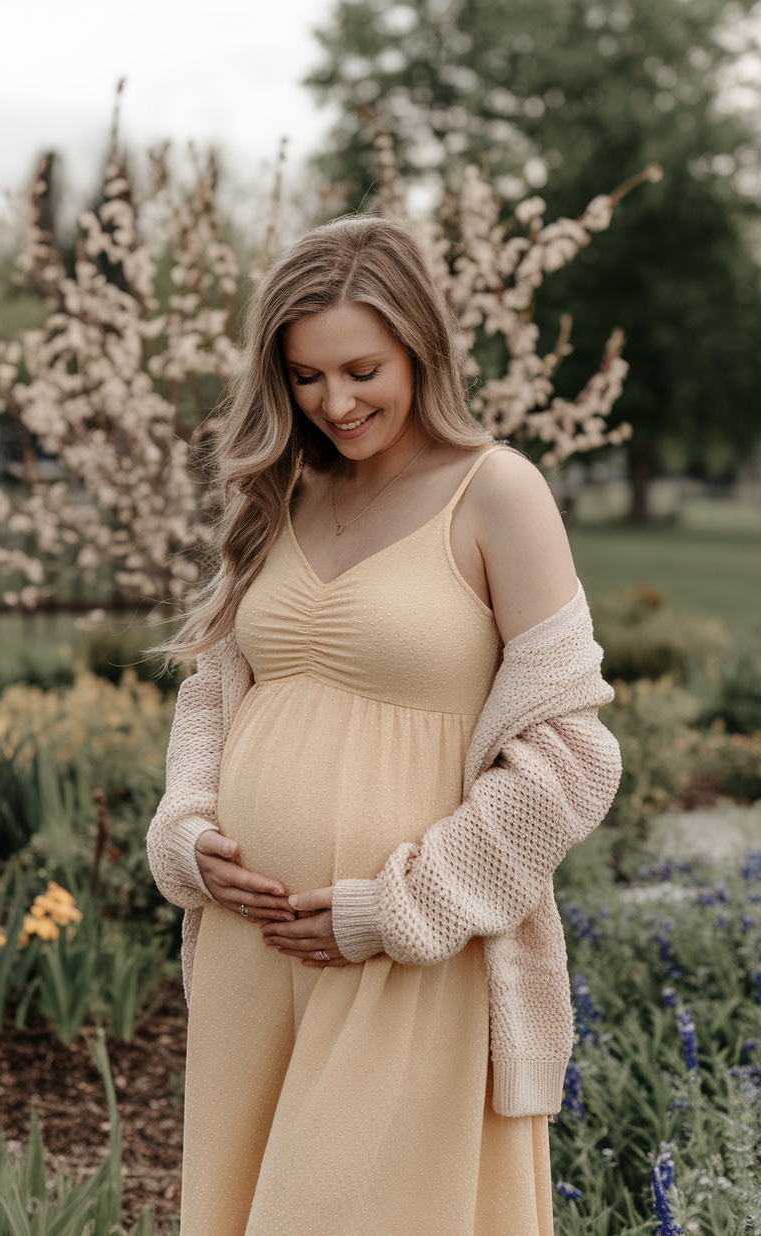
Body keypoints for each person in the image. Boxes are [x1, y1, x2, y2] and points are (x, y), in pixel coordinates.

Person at [147, 215, 621, 1236]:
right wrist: (186, 833)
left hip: (403, 951)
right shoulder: (281, 487)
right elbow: (215, 694)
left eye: (361, 369)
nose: (335, 402)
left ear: (420, 346)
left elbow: (571, 759)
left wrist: (395, 908)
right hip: (247, 953)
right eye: (306, 377)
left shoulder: (495, 492)